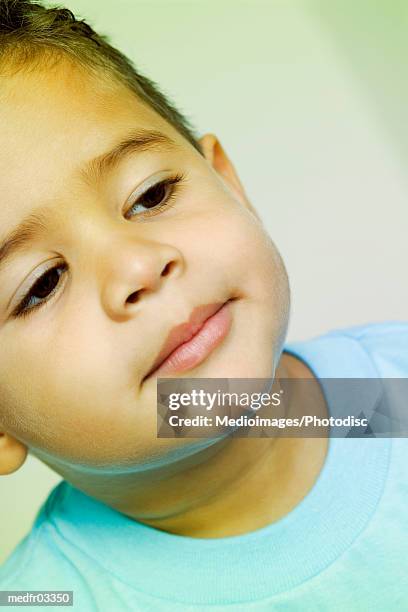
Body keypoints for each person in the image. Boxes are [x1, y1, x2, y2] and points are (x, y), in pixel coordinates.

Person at [0, 1, 406, 609]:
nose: (139, 264)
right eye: (42, 283)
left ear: (230, 184)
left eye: (151, 195)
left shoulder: (389, 393)